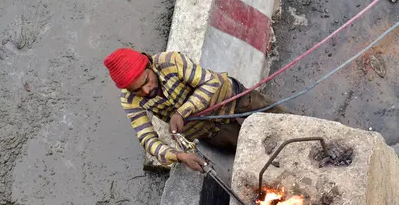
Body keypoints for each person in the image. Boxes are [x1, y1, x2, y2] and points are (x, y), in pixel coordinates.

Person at [104, 48, 286, 171]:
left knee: (280, 120)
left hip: (231, 98)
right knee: (252, 152)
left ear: (149, 66)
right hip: (209, 129)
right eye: (137, 90)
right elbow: (147, 139)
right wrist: (179, 156)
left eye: (146, 81)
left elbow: (210, 82)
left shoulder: (170, 61)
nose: (146, 90)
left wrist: (181, 112)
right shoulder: (129, 100)